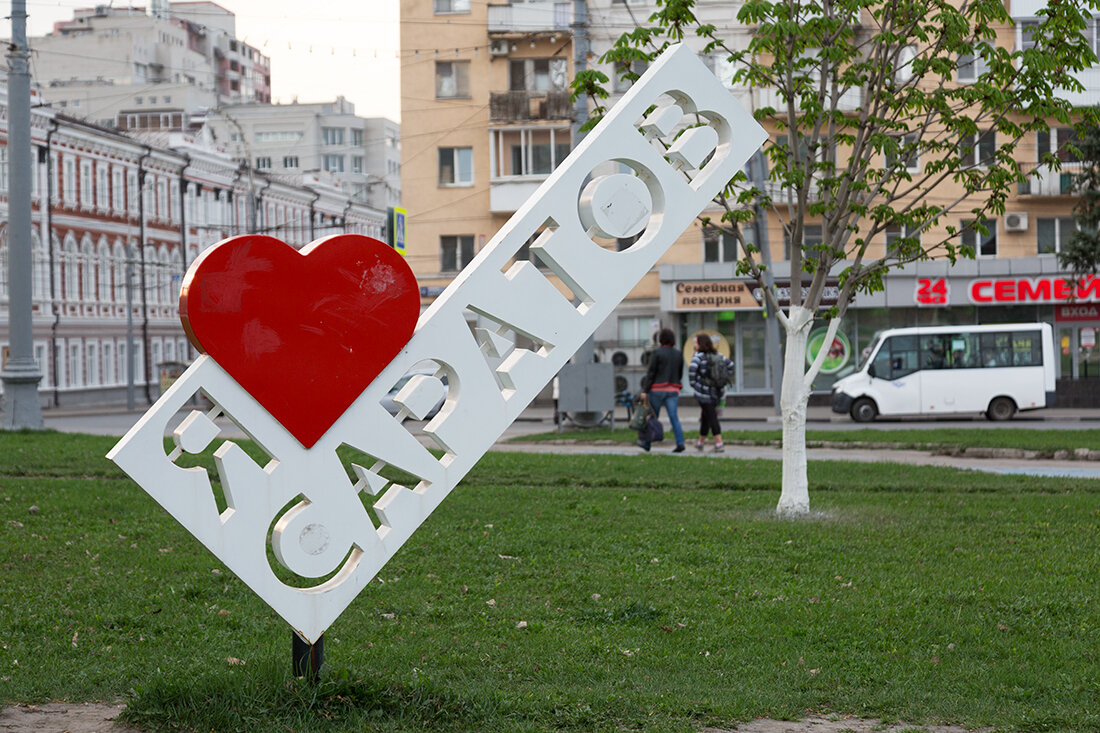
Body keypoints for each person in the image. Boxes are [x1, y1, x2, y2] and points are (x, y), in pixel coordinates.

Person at [638, 328, 686, 453]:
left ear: (661, 339)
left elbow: (651, 373)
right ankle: (680, 442)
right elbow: (680, 372)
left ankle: (647, 443)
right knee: (674, 417)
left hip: (657, 389)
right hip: (673, 389)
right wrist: (676, 385)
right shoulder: (678, 353)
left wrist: (645, 390)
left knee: (653, 417)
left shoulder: (657, 353)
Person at [688, 333, 733, 452]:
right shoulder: (717, 355)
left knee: (711, 417)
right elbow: (731, 365)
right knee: (705, 417)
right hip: (716, 392)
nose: (694, 344)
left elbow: (692, 373)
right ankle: (700, 442)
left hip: (703, 394)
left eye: (696, 342)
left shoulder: (698, 357)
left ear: (700, 344)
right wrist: (721, 380)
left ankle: (719, 443)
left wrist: (696, 385)